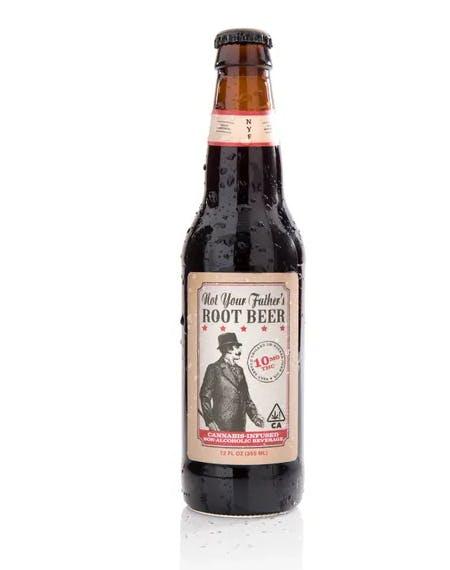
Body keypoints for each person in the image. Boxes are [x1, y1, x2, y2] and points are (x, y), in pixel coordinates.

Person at [199, 332, 265, 431]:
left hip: (240, 425)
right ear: (228, 349)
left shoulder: (239, 370)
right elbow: (205, 397)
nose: (240, 350)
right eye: (237, 347)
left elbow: (246, 398)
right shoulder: (214, 369)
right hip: (221, 426)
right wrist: (210, 421)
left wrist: (255, 416)